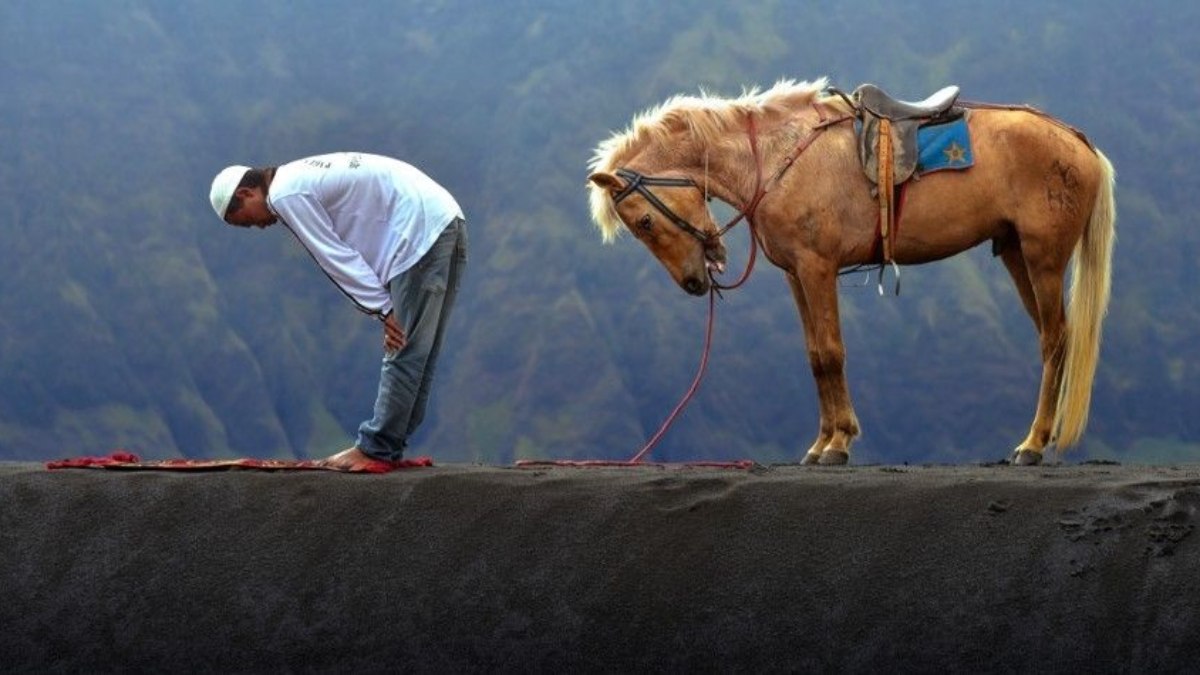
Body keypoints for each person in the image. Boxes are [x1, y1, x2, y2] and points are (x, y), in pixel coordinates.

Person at [208, 152, 467, 470]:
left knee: (403, 346)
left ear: (245, 193)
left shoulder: (285, 194)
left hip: (416, 231)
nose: (258, 227)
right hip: (445, 219)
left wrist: (382, 309)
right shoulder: (296, 176)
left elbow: (333, 256)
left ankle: (376, 449)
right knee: (419, 351)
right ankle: (391, 444)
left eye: (246, 221)